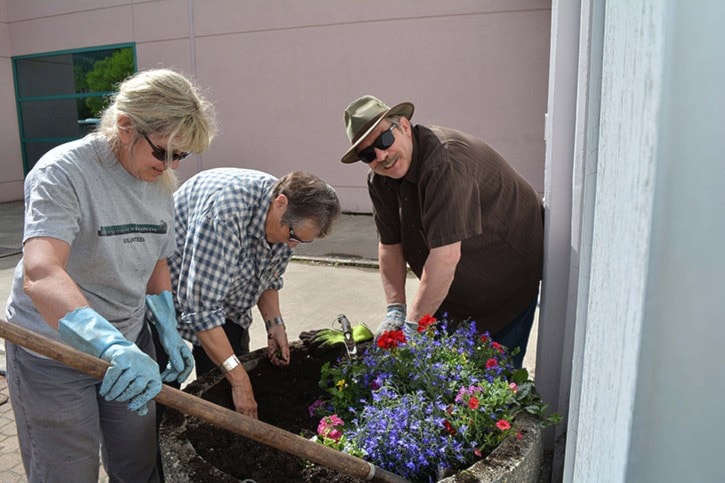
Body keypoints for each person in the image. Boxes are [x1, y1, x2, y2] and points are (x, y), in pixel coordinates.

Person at [3, 68, 215, 482]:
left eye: (181, 156)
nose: (171, 165)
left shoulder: (160, 183)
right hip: (54, 352)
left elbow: (155, 260)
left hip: (132, 348)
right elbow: (42, 272)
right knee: (67, 473)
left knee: (137, 466)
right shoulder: (63, 172)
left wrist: (168, 327)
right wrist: (108, 346)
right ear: (125, 125)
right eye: (163, 152)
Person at [340, 95, 543, 368]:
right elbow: (390, 245)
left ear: (404, 126)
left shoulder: (445, 163)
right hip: (452, 300)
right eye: (367, 154)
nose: (381, 156)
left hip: (504, 287)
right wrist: (395, 310)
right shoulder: (379, 179)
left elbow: (446, 257)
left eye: (383, 141)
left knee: (494, 390)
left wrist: (411, 328)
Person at [154, 168, 340, 418]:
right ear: (280, 203)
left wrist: (275, 325)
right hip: (165, 290)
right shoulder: (226, 213)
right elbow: (201, 311)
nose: (292, 245)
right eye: (292, 236)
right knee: (164, 394)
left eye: (302, 242)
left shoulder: (288, 221)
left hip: (223, 295)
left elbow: (269, 277)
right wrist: (239, 380)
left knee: (226, 392)